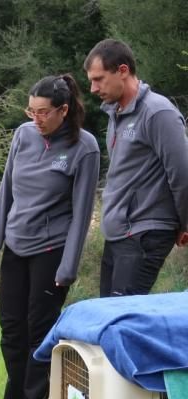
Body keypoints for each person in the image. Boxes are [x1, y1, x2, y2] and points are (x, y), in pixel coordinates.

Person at [0, 74, 100, 399]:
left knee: (39, 329)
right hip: (17, 243)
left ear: (63, 110)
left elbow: (82, 213)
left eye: (43, 112)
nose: (36, 119)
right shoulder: (23, 135)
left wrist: (69, 267)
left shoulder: (84, 147)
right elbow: (7, 189)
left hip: (52, 249)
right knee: (11, 328)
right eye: (31, 111)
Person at [84, 39, 188, 297]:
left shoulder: (157, 112)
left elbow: (182, 172)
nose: (93, 88)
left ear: (122, 70)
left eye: (99, 79)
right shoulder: (115, 114)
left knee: (123, 320)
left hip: (145, 231)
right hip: (118, 232)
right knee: (108, 318)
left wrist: (186, 223)